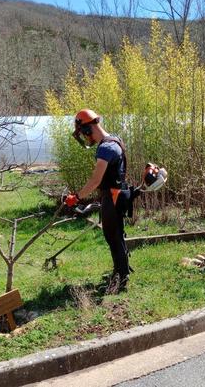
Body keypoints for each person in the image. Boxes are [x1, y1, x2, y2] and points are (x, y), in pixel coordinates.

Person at [65, 109, 131, 293]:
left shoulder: (105, 148)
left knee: (113, 237)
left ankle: (121, 279)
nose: (85, 139)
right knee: (117, 235)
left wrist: (77, 197)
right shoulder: (115, 139)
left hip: (113, 196)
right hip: (119, 193)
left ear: (87, 129)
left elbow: (95, 180)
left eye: (83, 134)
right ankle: (121, 270)